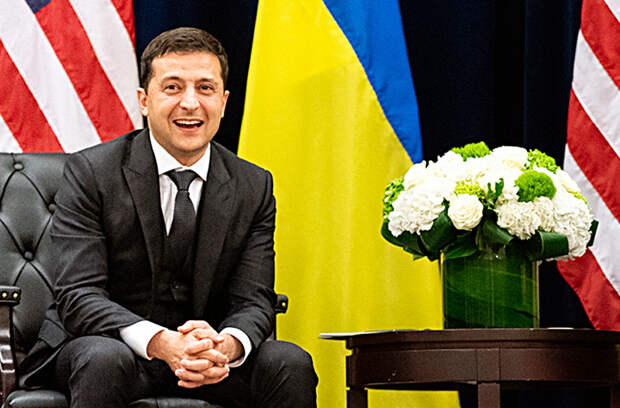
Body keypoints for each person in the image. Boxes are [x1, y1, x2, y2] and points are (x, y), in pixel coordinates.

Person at [18, 27, 318, 407]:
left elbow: (254, 300)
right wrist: (162, 342)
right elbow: (79, 295)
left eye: (205, 88)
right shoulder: (91, 172)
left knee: (289, 362)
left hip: (208, 360)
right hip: (115, 349)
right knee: (102, 359)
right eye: (173, 87)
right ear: (144, 101)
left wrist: (225, 346)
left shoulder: (253, 185)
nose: (190, 103)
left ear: (224, 101)